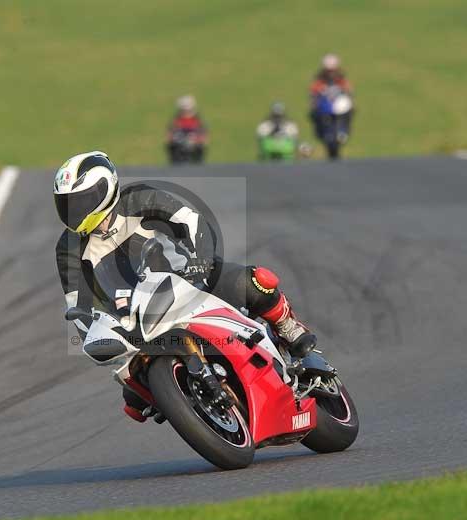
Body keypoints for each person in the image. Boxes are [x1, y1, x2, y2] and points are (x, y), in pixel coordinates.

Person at [54, 151, 316, 419]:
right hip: (135, 317)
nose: (73, 211)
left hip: (189, 280)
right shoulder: (68, 248)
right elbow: (78, 306)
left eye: (80, 201)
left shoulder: (140, 199)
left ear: (105, 191)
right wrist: (97, 337)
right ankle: (188, 401)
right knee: (134, 398)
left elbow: (192, 222)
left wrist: (199, 263)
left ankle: (286, 326)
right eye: (66, 204)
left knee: (252, 283)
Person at [309, 53, 354, 158]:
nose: (331, 73)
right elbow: (313, 94)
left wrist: (350, 101)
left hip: (340, 108)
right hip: (324, 108)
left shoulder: (342, 80)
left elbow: (349, 92)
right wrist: (314, 103)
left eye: (333, 70)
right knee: (315, 116)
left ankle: (343, 132)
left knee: (349, 113)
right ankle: (323, 134)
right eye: (329, 70)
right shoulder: (319, 80)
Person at [166, 95, 208, 164]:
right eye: (184, 109)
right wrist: (176, 140)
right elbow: (169, 136)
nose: (186, 112)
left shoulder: (198, 121)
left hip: (194, 149)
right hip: (178, 149)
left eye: (188, 109)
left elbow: (204, 137)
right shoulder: (176, 121)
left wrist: (196, 141)